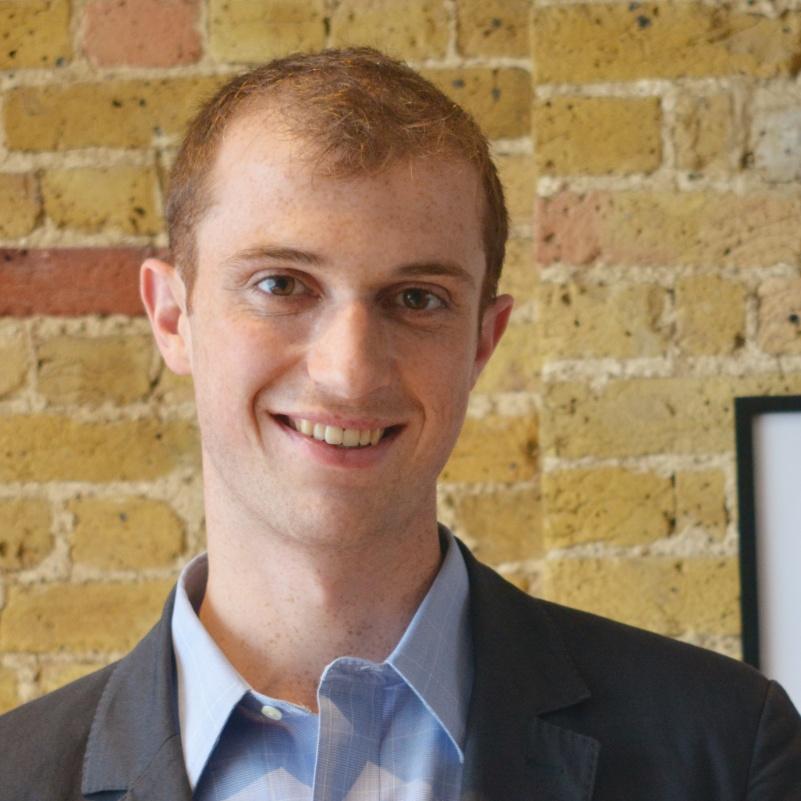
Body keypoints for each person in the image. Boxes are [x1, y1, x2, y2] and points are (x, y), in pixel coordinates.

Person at [1, 48, 799, 801]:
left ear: (481, 341)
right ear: (173, 317)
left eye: (417, 298)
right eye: (282, 284)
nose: (349, 371)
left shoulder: (725, 749)